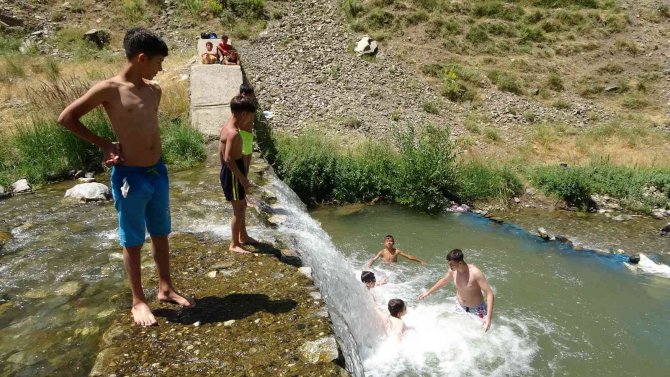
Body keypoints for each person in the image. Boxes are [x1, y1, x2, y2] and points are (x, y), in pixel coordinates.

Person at [57, 27, 195, 327]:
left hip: (158, 171)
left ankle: (165, 287)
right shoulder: (109, 89)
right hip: (129, 175)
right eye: (159, 62)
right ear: (142, 58)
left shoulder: (153, 90)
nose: (162, 68)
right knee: (132, 238)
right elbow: (67, 118)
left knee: (160, 233)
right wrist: (105, 144)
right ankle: (138, 301)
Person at [418, 249, 494, 332]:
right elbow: (444, 281)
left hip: (477, 310)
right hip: (460, 307)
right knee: (453, 330)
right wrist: (428, 292)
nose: (449, 267)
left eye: (451, 264)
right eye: (449, 264)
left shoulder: (475, 273)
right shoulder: (453, 271)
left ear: (460, 263)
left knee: (481, 334)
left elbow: (489, 293)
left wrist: (488, 318)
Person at [219, 95, 258, 253]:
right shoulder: (233, 132)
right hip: (234, 173)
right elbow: (228, 157)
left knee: (242, 204)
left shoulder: (228, 124)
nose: (250, 119)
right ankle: (234, 244)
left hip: (233, 171)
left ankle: (243, 236)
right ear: (243, 114)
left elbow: (220, 152)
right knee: (238, 209)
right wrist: (241, 178)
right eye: (250, 115)